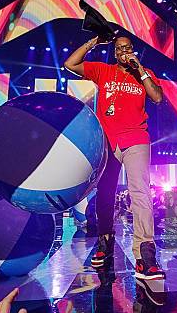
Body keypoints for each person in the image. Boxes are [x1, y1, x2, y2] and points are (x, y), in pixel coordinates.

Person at [64, 35, 165, 280]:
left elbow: (158, 97)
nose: (123, 51)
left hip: (136, 139)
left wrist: (139, 68)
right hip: (108, 141)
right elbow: (70, 64)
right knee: (105, 193)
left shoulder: (144, 73)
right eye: (118, 49)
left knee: (140, 191)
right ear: (114, 53)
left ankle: (145, 252)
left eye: (127, 48)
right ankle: (105, 241)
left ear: (133, 51)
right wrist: (92, 43)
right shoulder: (104, 71)